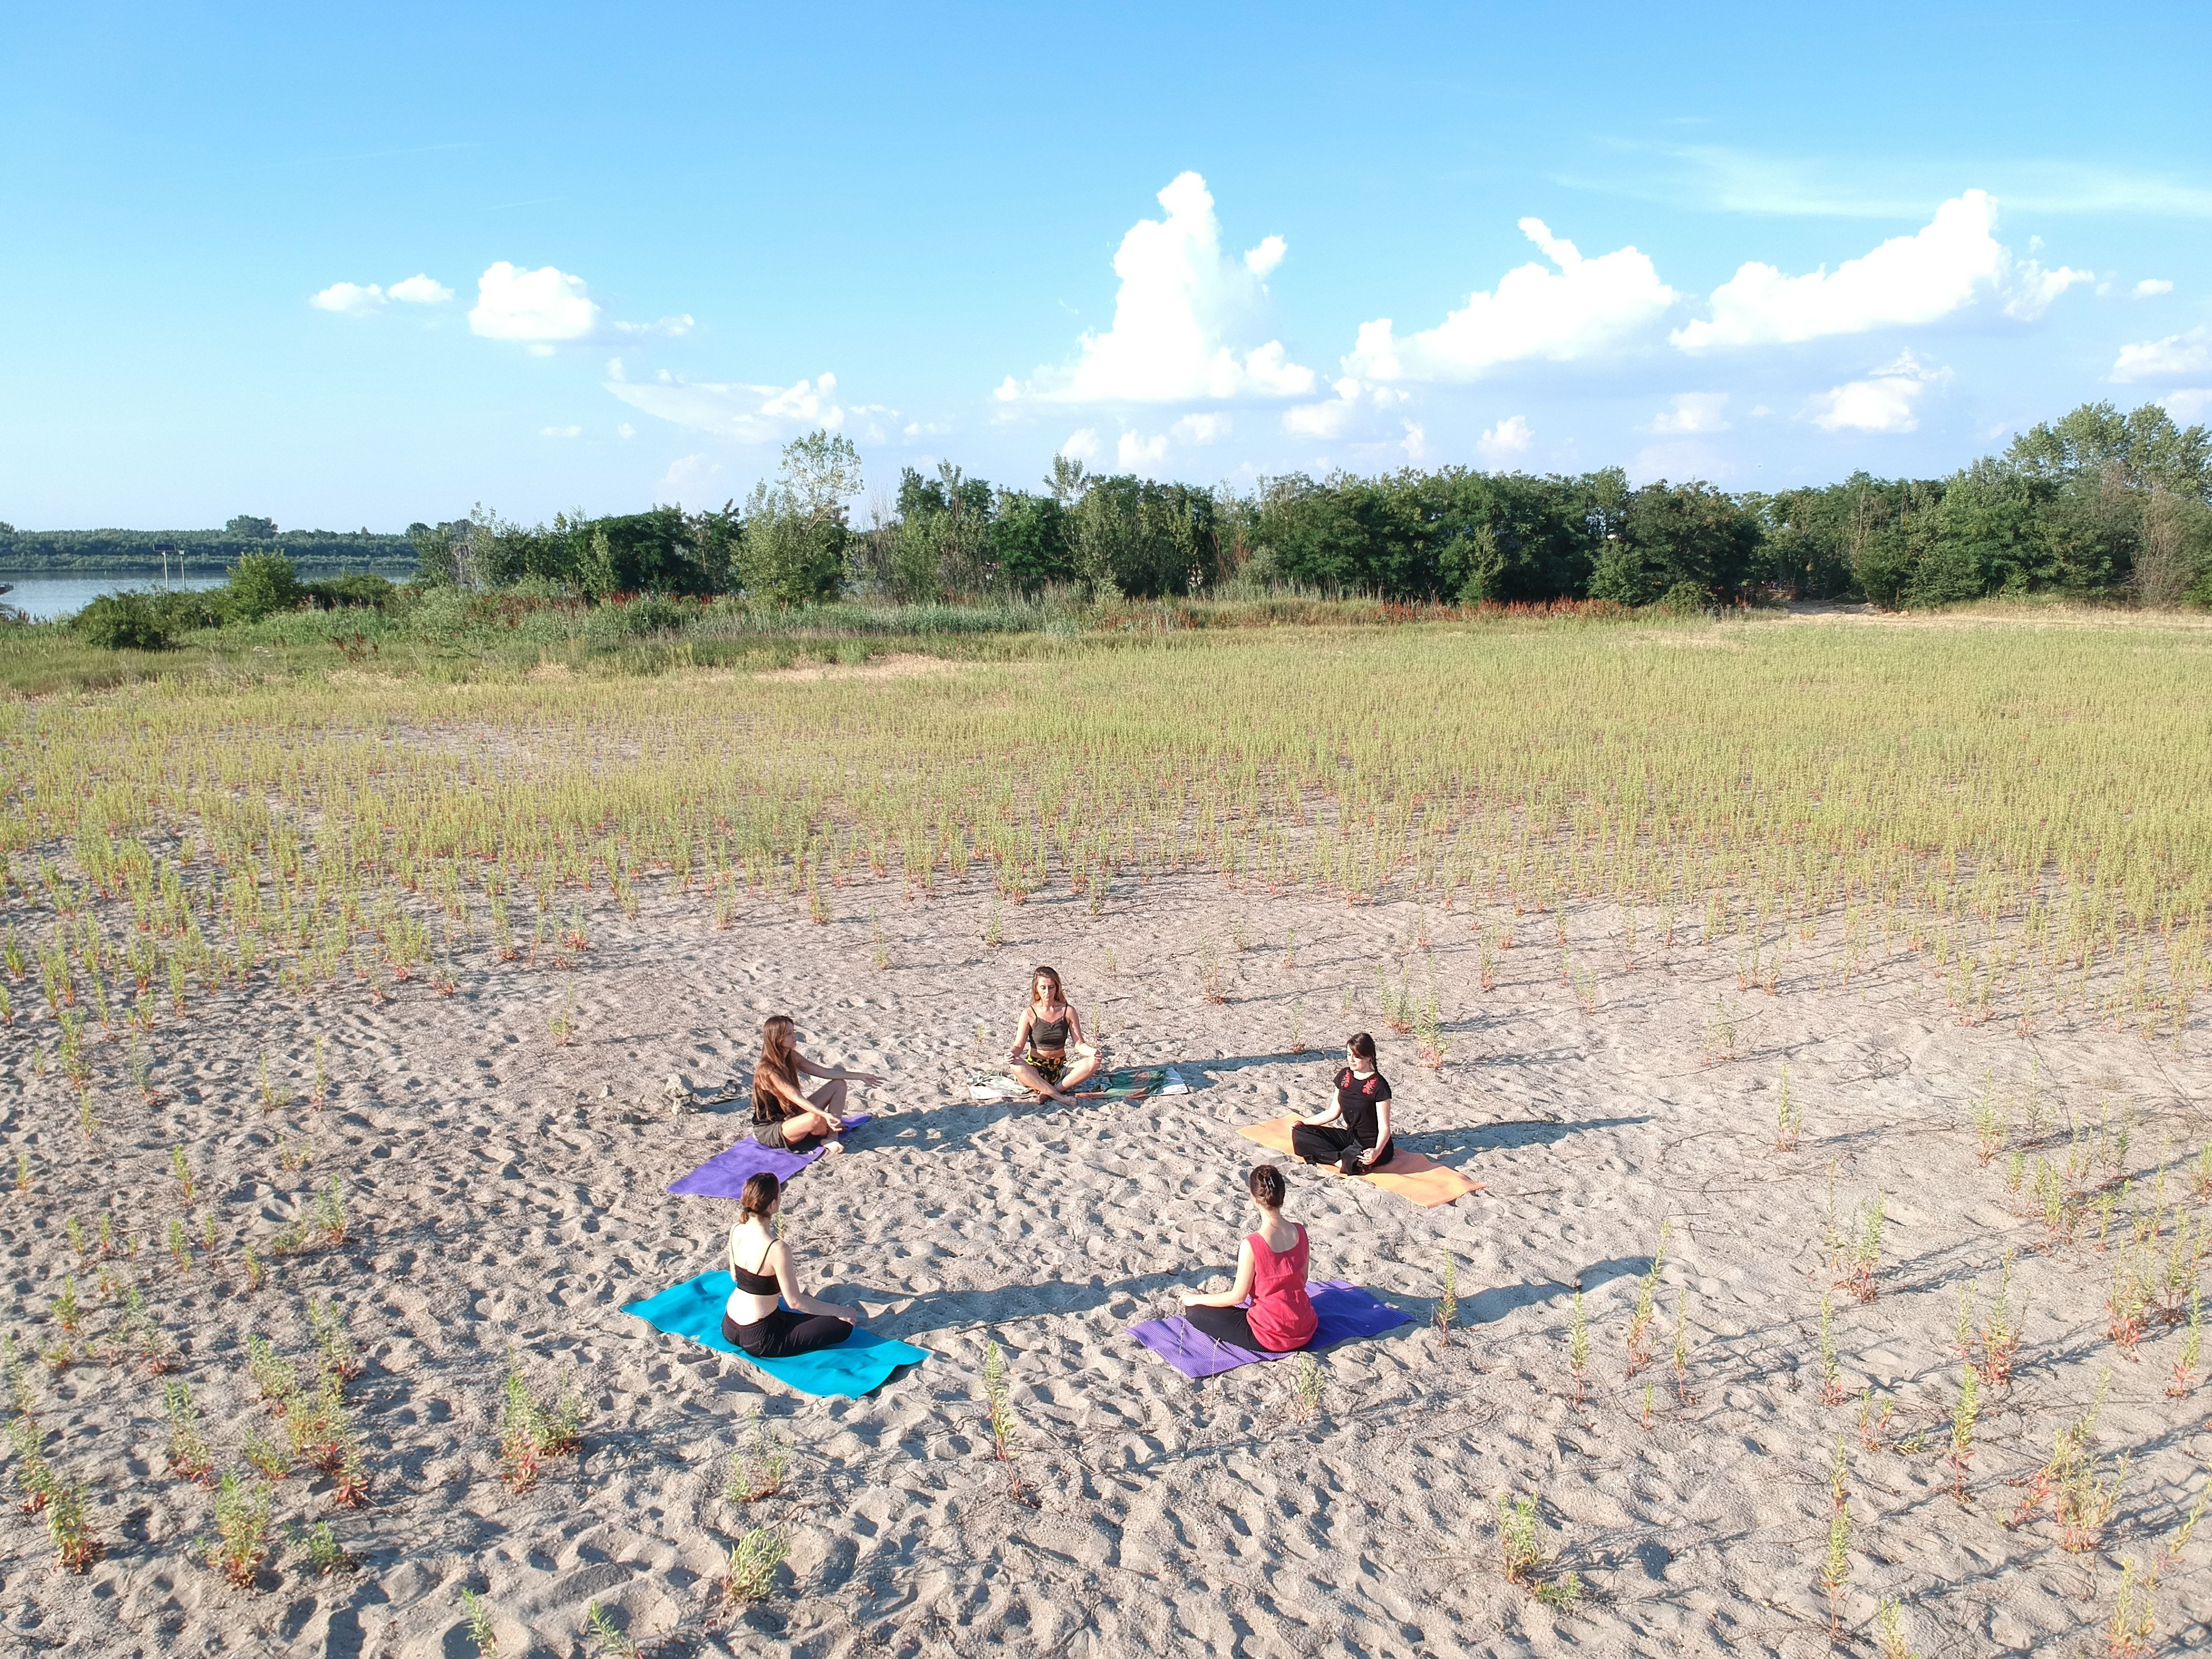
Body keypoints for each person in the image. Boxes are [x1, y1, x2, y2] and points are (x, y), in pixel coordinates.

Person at [1181, 1164, 1318, 1353]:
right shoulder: (1300, 1232)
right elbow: (1303, 1279)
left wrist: (1195, 1298)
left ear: (1254, 1199)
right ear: (1282, 1195)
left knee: (1195, 1312)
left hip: (1272, 1335)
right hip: (1306, 1327)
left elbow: (1238, 1297)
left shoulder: (1252, 1244)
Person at [721, 1172, 859, 1357]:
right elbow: (794, 1302)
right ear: (773, 1204)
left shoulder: (736, 1229)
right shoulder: (777, 1247)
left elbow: (735, 1276)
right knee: (842, 1326)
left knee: (801, 1317)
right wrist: (842, 1311)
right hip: (761, 1337)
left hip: (729, 1325)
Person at [751, 1015, 881, 1154]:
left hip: (791, 1115)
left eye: (794, 1031)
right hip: (771, 1129)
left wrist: (860, 1076)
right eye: (789, 1033)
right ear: (777, 1038)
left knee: (839, 1085)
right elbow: (795, 1096)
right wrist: (823, 1115)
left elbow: (826, 1073)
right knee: (816, 1117)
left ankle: (832, 1137)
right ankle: (821, 1127)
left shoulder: (791, 1056)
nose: (795, 1036)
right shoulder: (767, 1070)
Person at [1292, 1033, 1396, 1175]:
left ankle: (1344, 1159)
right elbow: (1332, 1113)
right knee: (1300, 1133)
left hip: (1371, 1142)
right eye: (1348, 1054)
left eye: (1356, 1056)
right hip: (1351, 1137)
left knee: (1359, 1159)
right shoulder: (1344, 1076)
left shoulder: (1379, 1085)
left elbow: (1385, 1128)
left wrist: (1377, 1151)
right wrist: (1303, 1123)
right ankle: (1340, 1161)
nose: (1351, 1060)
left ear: (1368, 1057)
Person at [1007, 966, 1100, 1102]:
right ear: (1036, 988)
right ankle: (1059, 1096)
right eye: (1043, 987)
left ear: (1057, 988)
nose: (1047, 992)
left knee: (1094, 1062)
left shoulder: (1068, 1011)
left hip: (1059, 1067)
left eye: (1051, 987)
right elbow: (1018, 1045)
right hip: (1036, 1068)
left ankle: (1050, 1092)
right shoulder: (1029, 1013)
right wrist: (1012, 1053)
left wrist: (1093, 1052)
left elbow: (1079, 1044)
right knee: (1015, 1064)